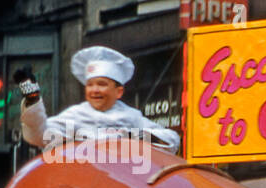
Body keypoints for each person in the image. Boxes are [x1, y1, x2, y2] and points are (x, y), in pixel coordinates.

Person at [15, 46, 180, 154]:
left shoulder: (132, 117)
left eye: (101, 84)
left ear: (119, 92)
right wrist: (32, 99)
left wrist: (130, 137)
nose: (95, 90)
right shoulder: (75, 116)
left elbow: (171, 141)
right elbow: (39, 134)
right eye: (90, 85)